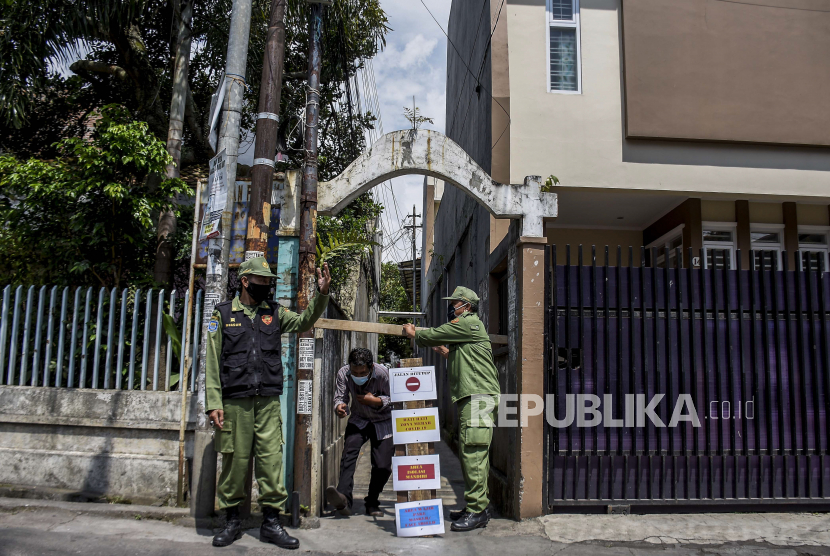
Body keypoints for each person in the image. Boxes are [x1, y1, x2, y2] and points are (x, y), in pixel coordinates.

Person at [206, 256, 331, 549]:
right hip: (235, 401)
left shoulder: (274, 313)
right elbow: (212, 362)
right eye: (262, 281)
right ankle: (232, 521)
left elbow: (304, 322)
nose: (266, 286)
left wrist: (322, 294)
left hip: (267, 402)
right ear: (245, 281)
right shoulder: (223, 314)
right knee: (234, 463)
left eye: (269, 282)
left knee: (271, 462)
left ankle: (271, 522)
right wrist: (214, 402)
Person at [402, 286, 500, 532]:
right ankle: (476, 506)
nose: (451, 307)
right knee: (472, 454)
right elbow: (469, 359)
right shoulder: (467, 331)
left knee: (474, 454)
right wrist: (447, 353)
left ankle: (477, 511)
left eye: (455, 303)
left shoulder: (468, 323)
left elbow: (435, 334)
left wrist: (414, 334)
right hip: (474, 396)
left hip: (478, 398)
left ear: (466, 306)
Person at [326, 347, 393, 517]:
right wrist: (339, 407)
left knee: (382, 466)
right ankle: (343, 500)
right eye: (355, 372)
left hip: (383, 422)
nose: (358, 376)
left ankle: (372, 502)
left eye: (362, 372)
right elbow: (340, 397)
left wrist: (376, 401)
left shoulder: (383, 373)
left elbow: (396, 398)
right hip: (359, 419)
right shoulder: (344, 373)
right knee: (348, 456)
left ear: (370, 367)